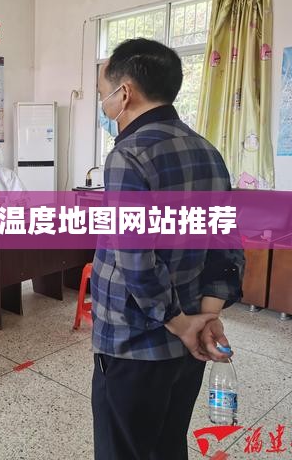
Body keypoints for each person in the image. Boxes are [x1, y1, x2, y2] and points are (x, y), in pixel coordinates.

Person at [91, 38, 245, 460]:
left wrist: (179, 324)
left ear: (124, 93)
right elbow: (227, 245)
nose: (103, 102)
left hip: (134, 343)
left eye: (103, 92)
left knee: (123, 449)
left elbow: (135, 262)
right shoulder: (208, 151)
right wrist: (206, 319)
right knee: (168, 443)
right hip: (191, 343)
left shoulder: (129, 155)